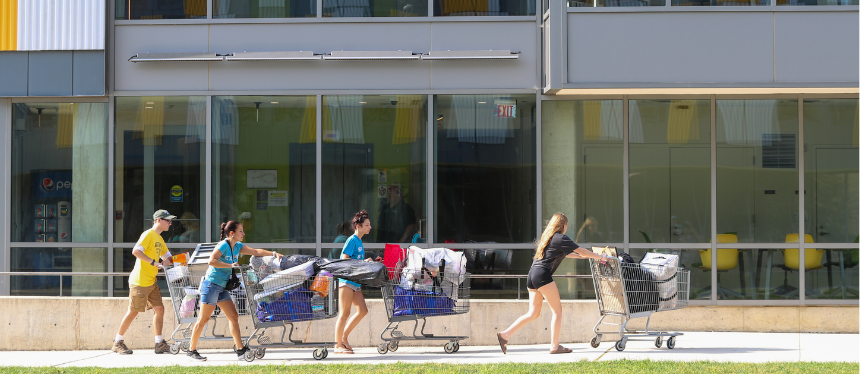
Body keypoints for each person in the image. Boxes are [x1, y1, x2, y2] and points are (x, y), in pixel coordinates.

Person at [496, 213, 609, 355]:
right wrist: (600, 257)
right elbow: (581, 250)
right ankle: (555, 346)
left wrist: (584, 256)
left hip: (532, 275)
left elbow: (568, 254)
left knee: (533, 313)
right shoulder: (561, 238)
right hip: (542, 276)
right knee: (557, 311)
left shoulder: (548, 238)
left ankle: (504, 335)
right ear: (564, 225)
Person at [185, 220, 283, 362]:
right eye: (241, 231)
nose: (243, 233)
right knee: (204, 319)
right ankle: (191, 350)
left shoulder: (237, 246)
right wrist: (230, 265)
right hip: (211, 285)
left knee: (233, 316)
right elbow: (211, 261)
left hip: (222, 287)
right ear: (232, 233)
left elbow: (255, 252)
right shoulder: (223, 245)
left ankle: (240, 350)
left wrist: (274, 253)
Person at [111, 209, 176, 355]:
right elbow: (136, 251)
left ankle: (159, 343)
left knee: (159, 309)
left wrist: (186, 258)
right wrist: (155, 262)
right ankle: (117, 342)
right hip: (140, 281)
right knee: (133, 312)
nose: (170, 224)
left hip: (151, 282)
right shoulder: (148, 234)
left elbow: (169, 258)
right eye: (168, 220)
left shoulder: (159, 239)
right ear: (158, 220)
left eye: (170, 221)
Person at [333, 210, 377, 354]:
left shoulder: (359, 241)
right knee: (344, 313)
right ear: (358, 226)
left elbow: (357, 261)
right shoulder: (352, 240)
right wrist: (362, 262)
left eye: (369, 225)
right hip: (346, 281)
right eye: (367, 225)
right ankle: (338, 345)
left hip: (355, 282)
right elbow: (344, 259)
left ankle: (344, 337)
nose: (370, 227)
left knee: (363, 310)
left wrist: (365, 262)